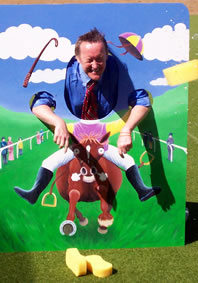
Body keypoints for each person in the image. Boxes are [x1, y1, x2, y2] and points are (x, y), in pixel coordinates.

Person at [14, 28, 161, 204]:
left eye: (100, 59)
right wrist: (57, 121)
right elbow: (37, 103)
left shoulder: (116, 73)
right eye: (89, 60)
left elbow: (143, 100)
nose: (95, 65)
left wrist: (126, 129)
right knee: (49, 161)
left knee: (127, 159)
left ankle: (142, 190)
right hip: (76, 145)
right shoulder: (69, 75)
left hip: (101, 146)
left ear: (107, 56)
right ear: (77, 58)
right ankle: (34, 193)